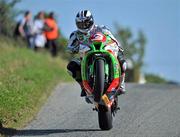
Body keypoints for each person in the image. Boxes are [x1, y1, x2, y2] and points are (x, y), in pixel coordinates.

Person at [67, 10, 127, 97]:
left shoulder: (102, 28)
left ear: (91, 21)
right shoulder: (75, 34)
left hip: (104, 50)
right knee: (71, 67)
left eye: (86, 23)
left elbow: (112, 38)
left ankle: (121, 85)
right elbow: (69, 46)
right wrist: (73, 49)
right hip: (85, 56)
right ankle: (83, 87)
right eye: (80, 23)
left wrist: (118, 46)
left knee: (123, 63)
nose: (83, 25)